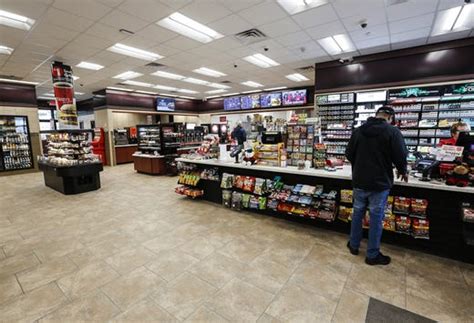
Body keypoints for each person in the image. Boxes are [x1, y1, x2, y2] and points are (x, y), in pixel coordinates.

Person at [345, 106, 408, 266]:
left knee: (357, 213)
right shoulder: (393, 132)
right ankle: (372, 255)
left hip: (359, 180)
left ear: (376, 115)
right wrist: (403, 170)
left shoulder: (358, 131)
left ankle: (353, 245)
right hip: (380, 183)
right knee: (376, 218)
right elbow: (400, 155)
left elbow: (348, 154)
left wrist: (360, 165)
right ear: (390, 117)